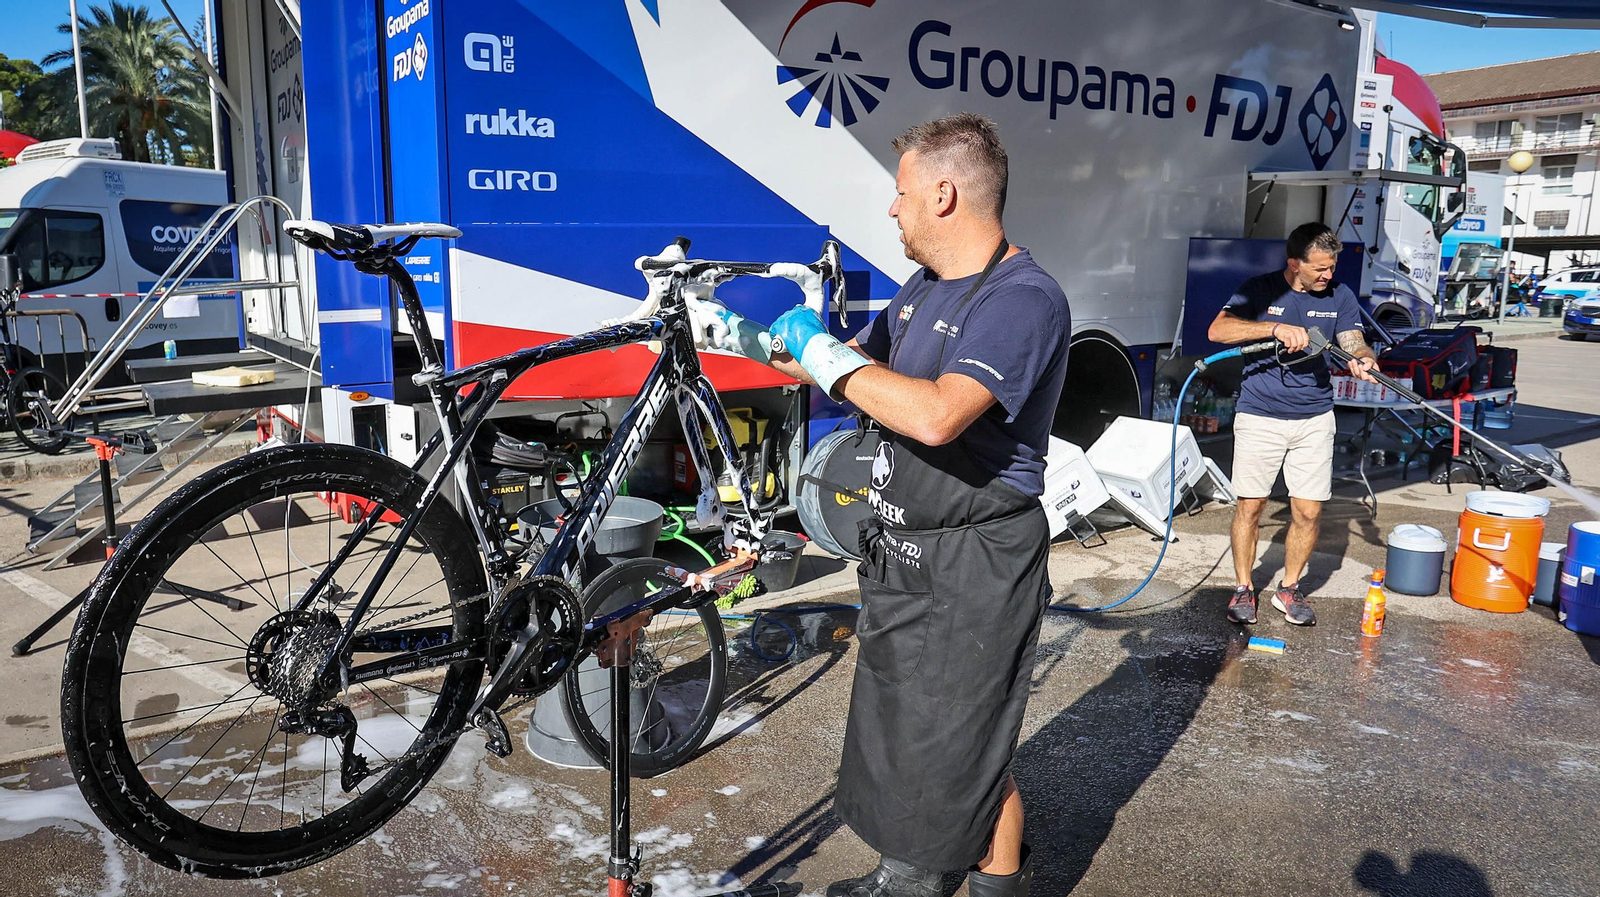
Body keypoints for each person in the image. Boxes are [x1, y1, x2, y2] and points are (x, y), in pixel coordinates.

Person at [718, 113, 1070, 897]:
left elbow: (938, 413)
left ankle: (980, 885)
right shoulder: (921, 290)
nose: (892, 208)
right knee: (906, 739)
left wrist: (824, 353)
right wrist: (739, 335)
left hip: (976, 562)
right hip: (907, 552)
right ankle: (907, 872)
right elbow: (859, 375)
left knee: (963, 747)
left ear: (943, 193)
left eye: (901, 191)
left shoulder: (1024, 299)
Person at [1206, 223, 1378, 626]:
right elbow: (1218, 330)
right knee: (1250, 507)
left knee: (1308, 511)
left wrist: (1363, 358)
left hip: (1315, 417)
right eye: (1318, 269)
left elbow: (1353, 339)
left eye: (1331, 268)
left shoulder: (1340, 295)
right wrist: (1274, 327)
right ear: (1294, 264)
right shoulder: (1260, 289)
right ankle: (1244, 589)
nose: (1327, 276)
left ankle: (1288, 588)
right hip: (1260, 413)